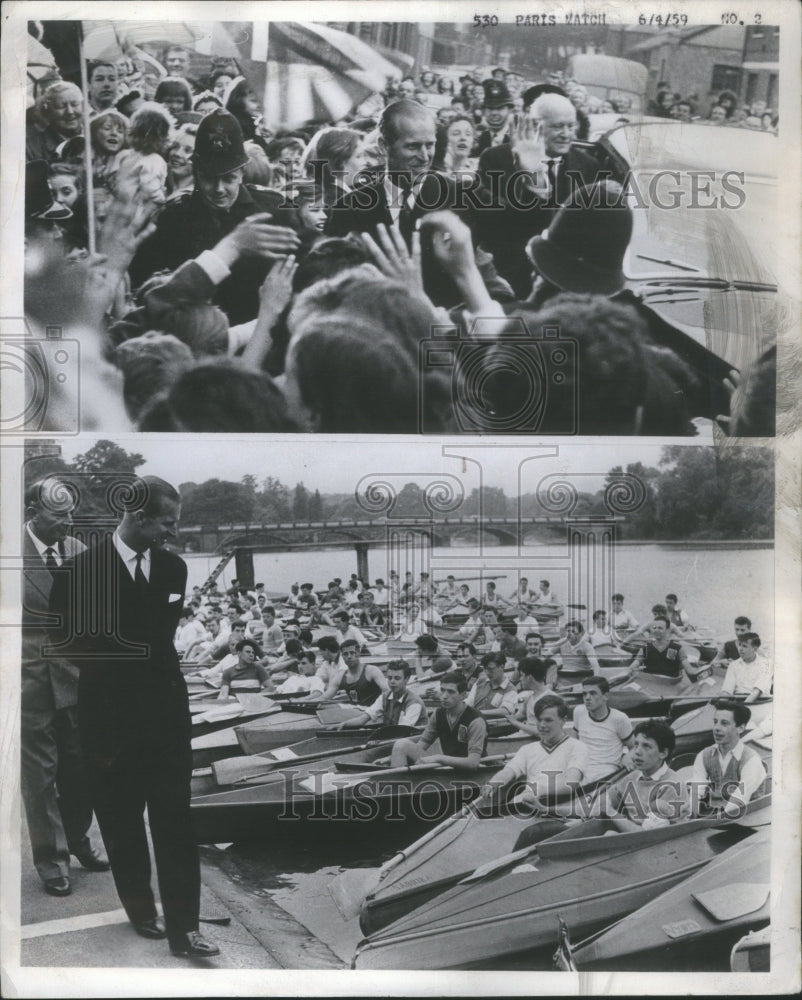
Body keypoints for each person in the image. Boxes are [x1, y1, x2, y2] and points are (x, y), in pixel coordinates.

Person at [48, 476, 218, 957]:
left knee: (177, 825)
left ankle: (186, 929)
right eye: (168, 523)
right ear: (139, 517)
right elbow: (67, 646)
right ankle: (142, 910)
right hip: (110, 725)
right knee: (122, 827)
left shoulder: (173, 569)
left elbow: (162, 644)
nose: (174, 532)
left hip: (166, 722)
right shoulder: (78, 572)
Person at [130, 108, 301, 325]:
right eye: (209, 178)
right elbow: (147, 286)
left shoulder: (275, 209)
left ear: (242, 171)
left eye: (228, 178)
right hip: (194, 334)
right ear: (196, 171)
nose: (219, 188)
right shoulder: (172, 217)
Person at [21, 478, 107, 898]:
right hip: (28, 687)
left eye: (71, 513)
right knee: (39, 780)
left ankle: (77, 841)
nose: (68, 523)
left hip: (77, 682)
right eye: (59, 515)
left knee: (82, 772)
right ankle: (52, 860)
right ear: (33, 513)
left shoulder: (79, 553)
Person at [476, 92, 602, 295]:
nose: (566, 134)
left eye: (571, 126)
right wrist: (533, 178)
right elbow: (494, 223)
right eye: (557, 126)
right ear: (535, 125)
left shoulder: (588, 166)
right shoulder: (496, 159)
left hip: (563, 281)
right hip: (509, 278)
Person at [474, 695, 587, 813]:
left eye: (548, 720)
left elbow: (571, 783)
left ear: (563, 720)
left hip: (558, 808)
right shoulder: (527, 749)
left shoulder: (577, 747)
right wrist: (492, 784)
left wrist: (537, 789)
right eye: (539, 719)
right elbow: (509, 771)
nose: (542, 725)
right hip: (528, 805)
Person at [685, 699, 768, 818]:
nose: (716, 728)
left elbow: (738, 801)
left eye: (724, 723)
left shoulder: (751, 760)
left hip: (748, 819)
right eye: (715, 722)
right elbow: (696, 792)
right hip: (716, 817)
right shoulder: (704, 755)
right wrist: (690, 819)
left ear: (740, 728)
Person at [594, 720, 682, 830]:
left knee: (610, 834)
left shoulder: (672, 787)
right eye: (636, 744)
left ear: (663, 753)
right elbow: (602, 802)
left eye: (646, 746)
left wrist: (610, 812)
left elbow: (646, 836)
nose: (637, 752)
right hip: (634, 836)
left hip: (662, 842)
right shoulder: (632, 777)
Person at [390, 672, 487, 771]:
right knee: (401, 745)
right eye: (442, 690)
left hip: (468, 771)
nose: (444, 696)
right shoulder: (438, 714)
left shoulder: (475, 720)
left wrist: (439, 758)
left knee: (402, 745)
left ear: (463, 695)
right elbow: (420, 747)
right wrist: (394, 755)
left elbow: (473, 763)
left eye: (451, 692)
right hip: (447, 767)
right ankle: (400, 782)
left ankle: (399, 783)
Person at [330, 659, 428, 730]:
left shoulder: (414, 703)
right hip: (393, 739)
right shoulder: (385, 697)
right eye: (390, 678)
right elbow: (363, 718)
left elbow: (402, 731)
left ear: (406, 680)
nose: (392, 682)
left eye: (397, 678)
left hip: (411, 743)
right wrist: (343, 725)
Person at [571, 676, 634, 781]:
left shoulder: (619, 718)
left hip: (607, 770)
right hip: (581, 766)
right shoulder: (579, 712)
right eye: (584, 694)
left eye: (593, 693)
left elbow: (634, 746)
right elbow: (574, 740)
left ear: (605, 696)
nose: (587, 698)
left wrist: (628, 756)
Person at [509, 655, 555, 736]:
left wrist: (515, 723)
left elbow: (541, 731)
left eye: (522, 675)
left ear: (529, 677)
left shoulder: (550, 699)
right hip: (523, 736)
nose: (520, 679)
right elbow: (518, 716)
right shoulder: (529, 696)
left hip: (533, 741)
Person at [721, 633, 773, 703]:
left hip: (761, 702)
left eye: (744, 646)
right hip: (738, 702)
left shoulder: (766, 664)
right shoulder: (733, 665)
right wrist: (721, 705)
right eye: (739, 645)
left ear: (754, 649)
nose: (740, 649)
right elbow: (727, 691)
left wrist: (743, 707)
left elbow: (756, 692)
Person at [465, 651, 519, 717]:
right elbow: (469, 701)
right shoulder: (480, 681)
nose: (487, 672)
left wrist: (478, 712)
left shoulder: (510, 689)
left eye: (490, 669)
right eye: (485, 669)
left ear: (501, 667)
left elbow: (505, 711)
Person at [474, 79, 515, 154]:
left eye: (500, 108)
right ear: (483, 111)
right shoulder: (483, 137)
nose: (494, 113)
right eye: (490, 108)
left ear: (510, 110)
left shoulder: (517, 137)